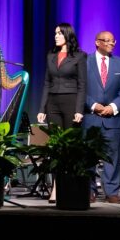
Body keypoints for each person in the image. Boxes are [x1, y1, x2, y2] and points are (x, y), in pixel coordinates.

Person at [36, 23, 87, 203]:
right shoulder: (51, 55)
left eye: (59, 33)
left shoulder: (79, 56)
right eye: (55, 33)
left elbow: (82, 85)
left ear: (67, 35)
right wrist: (42, 108)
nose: (56, 36)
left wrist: (79, 110)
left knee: (70, 147)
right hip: (53, 104)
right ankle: (56, 188)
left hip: (71, 102)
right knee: (56, 147)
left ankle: (72, 187)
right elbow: (46, 84)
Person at [82, 31, 120, 204]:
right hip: (91, 117)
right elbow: (80, 88)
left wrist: (113, 107)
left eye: (113, 40)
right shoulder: (85, 61)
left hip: (113, 119)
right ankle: (88, 191)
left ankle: (111, 192)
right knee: (88, 157)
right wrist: (94, 105)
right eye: (107, 40)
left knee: (112, 157)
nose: (111, 43)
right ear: (97, 42)